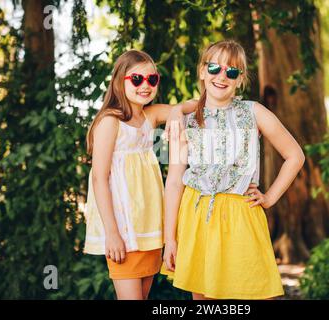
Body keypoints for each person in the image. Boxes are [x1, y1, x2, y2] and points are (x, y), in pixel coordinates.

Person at [162, 40, 305, 300]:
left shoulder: (254, 112)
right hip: (197, 214)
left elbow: (295, 156)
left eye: (232, 72)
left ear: (240, 79)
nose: (222, 76)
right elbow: (173, 182)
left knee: (254, 292)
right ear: (202, 71)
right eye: (215, 67)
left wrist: (270, 197)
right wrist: (169, 238)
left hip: (242, 213)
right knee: (205, 298)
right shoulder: (184, 120)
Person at [83, 49, 196, 300]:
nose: (145, 85)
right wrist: (112, 233)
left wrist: (177, 111)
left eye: (151, 79)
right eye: (136, 79)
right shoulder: (110, 122)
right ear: (118, 81)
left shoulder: (149, 115)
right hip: (124, 231)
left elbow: (196, 105)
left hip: (149, 227)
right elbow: (99, 178)